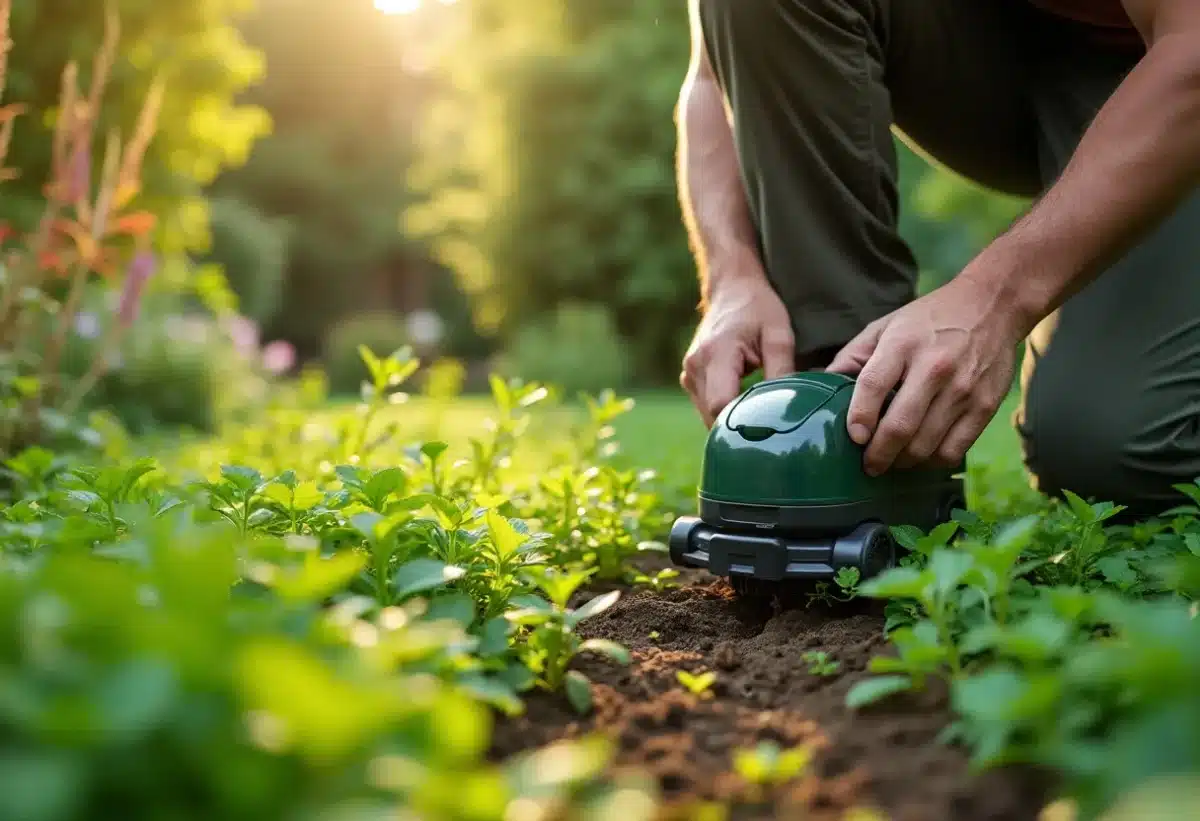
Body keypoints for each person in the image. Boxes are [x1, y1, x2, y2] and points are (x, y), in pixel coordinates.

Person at [675, 0, 1200, 517]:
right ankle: (856, 437)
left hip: (1165, 70)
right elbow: (711, 72)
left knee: (1111, 452)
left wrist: (993, 300)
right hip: (995, 50)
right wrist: (731, 274)